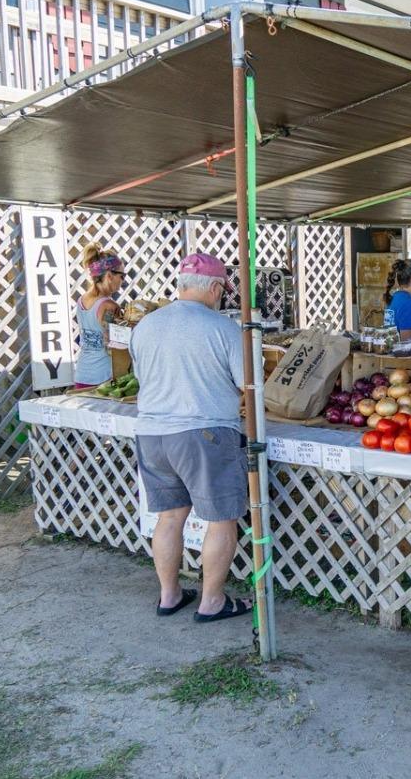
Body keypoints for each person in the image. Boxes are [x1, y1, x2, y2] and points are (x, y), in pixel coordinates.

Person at [130, 253, 253, 622]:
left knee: (169, 518)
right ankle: (212, 601)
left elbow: (142, 376)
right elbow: (246, 382)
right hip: (204, 433)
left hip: (152, 434)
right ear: (215, 288)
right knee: (222, 520)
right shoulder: (223, 328)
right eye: (223, 291)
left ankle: (169, 596)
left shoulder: (145, 326)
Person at [75, 243, 125, 389]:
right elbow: (114, 345)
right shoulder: (109, 306)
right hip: (104, 378)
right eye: (122, 276)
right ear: (109, 276)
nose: (123, 281)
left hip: (82, 374)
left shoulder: (82, 300)